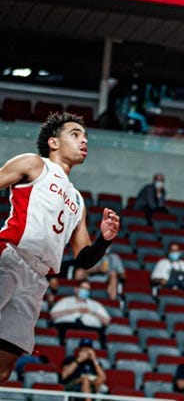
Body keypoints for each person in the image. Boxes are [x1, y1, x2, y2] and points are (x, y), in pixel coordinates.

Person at [0, 112, 120, 384]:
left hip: (37, 280)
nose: (84, 141)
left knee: (3, 369)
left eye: (86, 137)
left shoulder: (78, 200)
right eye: (75, 134)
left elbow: (84, 259)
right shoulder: (34, 164)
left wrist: (105, 239)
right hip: (9, 257)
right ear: (53, 142)